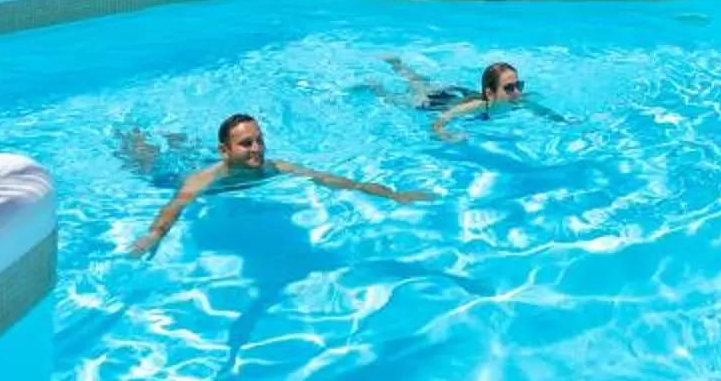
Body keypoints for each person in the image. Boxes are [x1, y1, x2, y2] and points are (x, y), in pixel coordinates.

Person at [124, 113, 429, 257]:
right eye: (246, 143)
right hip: (166, 178)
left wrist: (393, 195)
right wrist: (154, 235)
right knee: (147, 163)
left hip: (207, 165)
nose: (257, 148)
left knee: (184, 151)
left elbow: (329, 179)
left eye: (259, 140)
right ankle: (131, 133)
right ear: (225, 151)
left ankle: (174, 138)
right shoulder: (205, 179)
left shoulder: (274, 167)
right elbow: (175, 206)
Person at [384, 56, 538, 140]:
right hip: (441, 101)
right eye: (509, 88)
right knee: (402, 95)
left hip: (462, 94)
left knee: (423, 82)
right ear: (490, 93)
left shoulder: (516, 100)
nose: (517, 92)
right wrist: (444, 134)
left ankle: (397, 64)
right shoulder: (478, 106)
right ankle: (387, 73)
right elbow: (440, 120)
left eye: (519, 85)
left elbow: (541, 111)